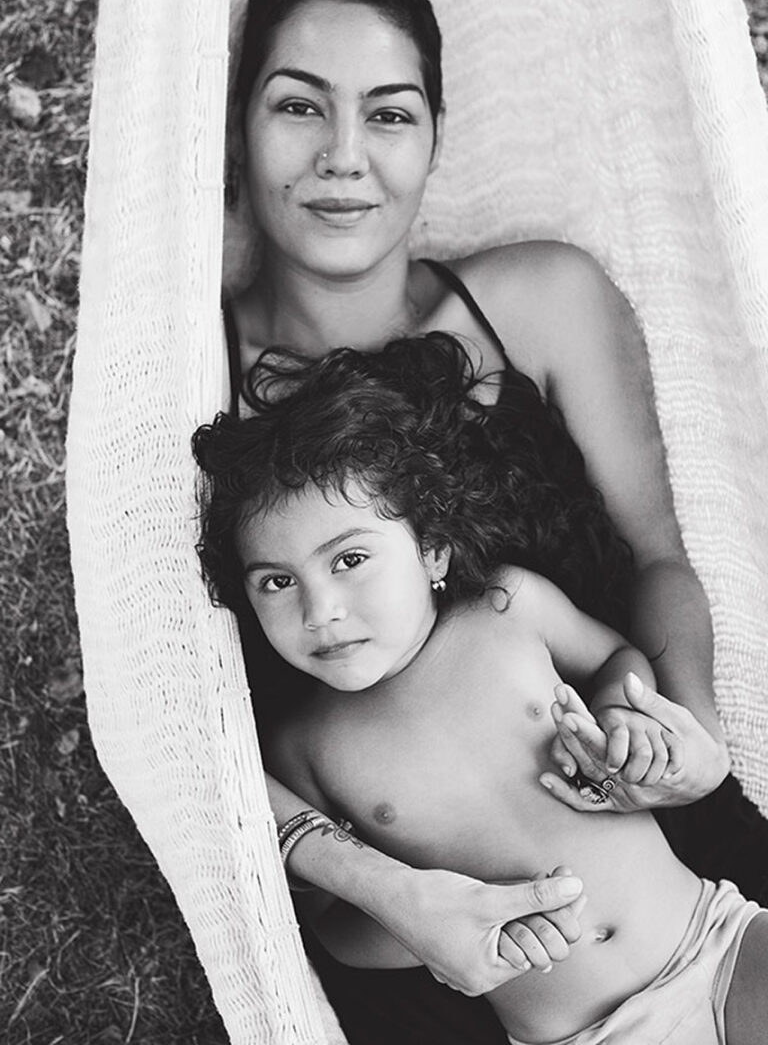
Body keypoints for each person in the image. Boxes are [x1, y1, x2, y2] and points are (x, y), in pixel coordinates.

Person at [223, 0, 768, 1043]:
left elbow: (657, 555)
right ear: (238, 126)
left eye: (388, 114)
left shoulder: (540, 300)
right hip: (449, 956)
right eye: (298, 105)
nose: (343, 156)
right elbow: (202, 752)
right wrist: (391, 894)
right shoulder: (194, 392)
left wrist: (686, 735)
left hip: (664, 842)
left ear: (435, 135)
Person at [193, 333, 768, 1045]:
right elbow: (335, 927)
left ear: (432, 549)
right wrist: (432, 926)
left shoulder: (508, 609)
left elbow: (616, 656)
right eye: (277, 582)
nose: (321, 610)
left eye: (349, 559)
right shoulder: (302, 745)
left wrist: (623, 720)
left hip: (716, 939)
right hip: (577, 1032)